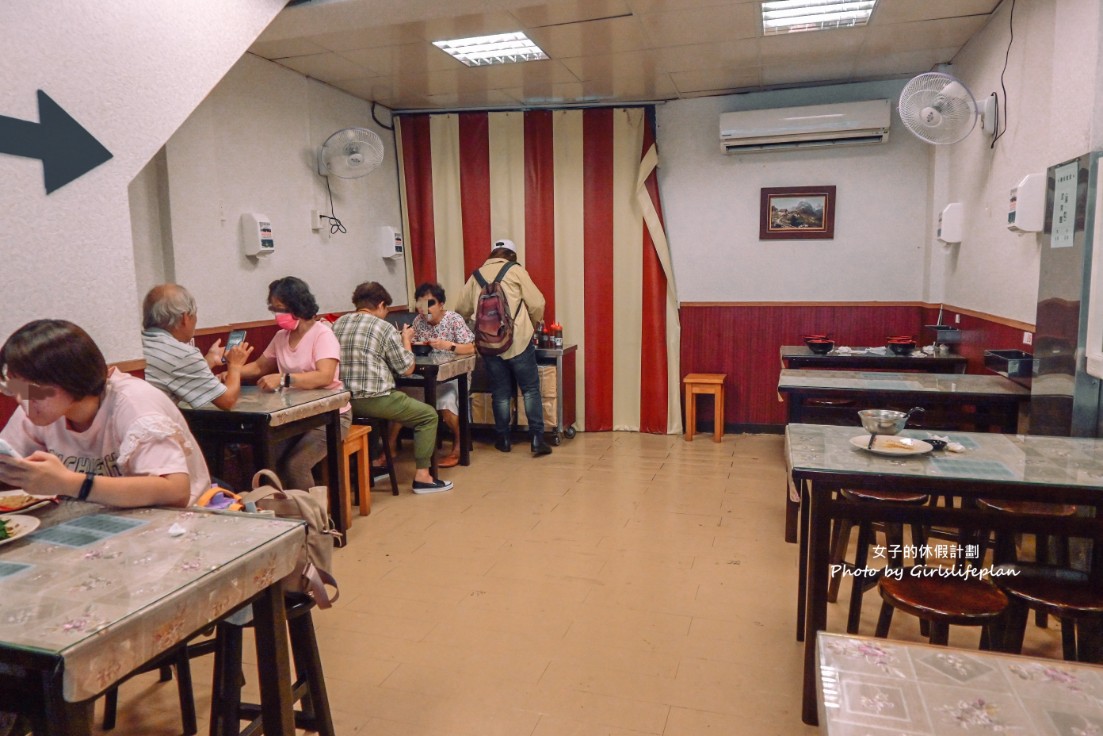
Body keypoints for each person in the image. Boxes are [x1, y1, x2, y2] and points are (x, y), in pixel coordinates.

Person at [0, 319, 210, 506]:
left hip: (181, 524)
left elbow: (175, 491)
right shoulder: (40, 410)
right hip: (101, 524)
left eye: (31, 387)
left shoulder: (134, 405)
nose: (21, 397)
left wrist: (69, 483)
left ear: (69, 378)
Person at [332, 282, 453, 494]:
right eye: (386, 309)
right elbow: (407, 369)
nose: (386, 313)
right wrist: (405, 340)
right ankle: (423, 477)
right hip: (373, 399)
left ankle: (372, 466)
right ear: (380, 305)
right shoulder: (384, 327)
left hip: (342, 402)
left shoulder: (339, 323)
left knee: (399, 402)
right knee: (428, 416)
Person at [238, 277, 351, 491]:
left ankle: (314, 521)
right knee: (269, 457)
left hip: (331, 415)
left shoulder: (323, 334)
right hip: (295, 414)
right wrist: (232, 372)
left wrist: (284, 379)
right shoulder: (282, 336)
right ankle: (282, 515)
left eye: (280, 309)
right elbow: (259, 367)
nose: (277, 315)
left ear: (297, 306)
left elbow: (324, 376)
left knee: (295, 465)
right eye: (274, 309)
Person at [454, 238, 552, 456]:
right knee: (530, 389)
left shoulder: (476, 275)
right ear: (512, 255)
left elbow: (460, 309)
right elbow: (537, 303)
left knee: (500, 392)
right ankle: (537, 439)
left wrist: (478, 328)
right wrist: (531, 324)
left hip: (489, 344)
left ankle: (503, 439)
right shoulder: (516, 271)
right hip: (518, 341)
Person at [383, 282, 474, 468]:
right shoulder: (418, 321)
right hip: (426, 375)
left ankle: (458, 448)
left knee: (448, 404)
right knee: (401, 397)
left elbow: (472, 348)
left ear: (441, 304)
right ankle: (389, 448)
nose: (425, 310)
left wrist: (449, 345)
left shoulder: (454, 319)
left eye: (430, 303)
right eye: (421, 304)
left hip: (455, 376)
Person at [140, 283, 253, 409]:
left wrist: (209, 360)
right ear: (185, 317)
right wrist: (235, 366)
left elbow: (176, 374)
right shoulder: (183, 354)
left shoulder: (139, 345)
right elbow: (227, 400)